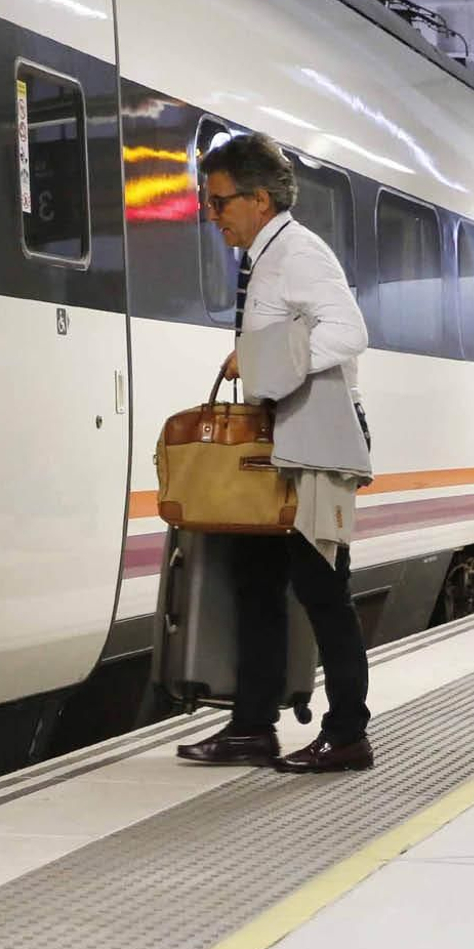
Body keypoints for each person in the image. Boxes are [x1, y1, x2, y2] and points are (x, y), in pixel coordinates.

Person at [175, 132, 374, 774]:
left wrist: (256, 358)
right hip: (274, 446)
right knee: (254, 585)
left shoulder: (299, 254)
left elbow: (348, 332)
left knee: (322, 590)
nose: (214, 214)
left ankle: (348, 735)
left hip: (311, 446)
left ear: (259, 199)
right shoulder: (265, 256)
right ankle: (252, 726)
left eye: (221, 202)